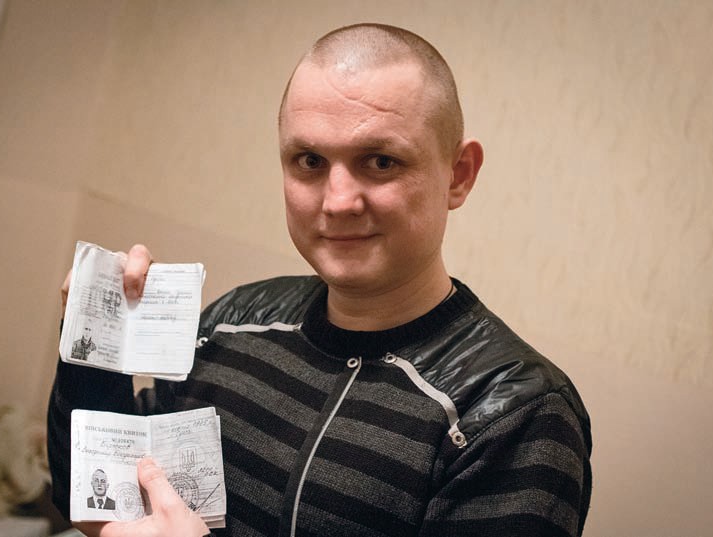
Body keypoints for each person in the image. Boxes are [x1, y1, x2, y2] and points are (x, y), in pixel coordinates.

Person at [48, 23, 592, 537]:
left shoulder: (513, 412)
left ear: (459, 175)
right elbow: (101, 497)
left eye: (381, 161)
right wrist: (94, 340)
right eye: (309, 160)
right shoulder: (233, 323)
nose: (337, 202)